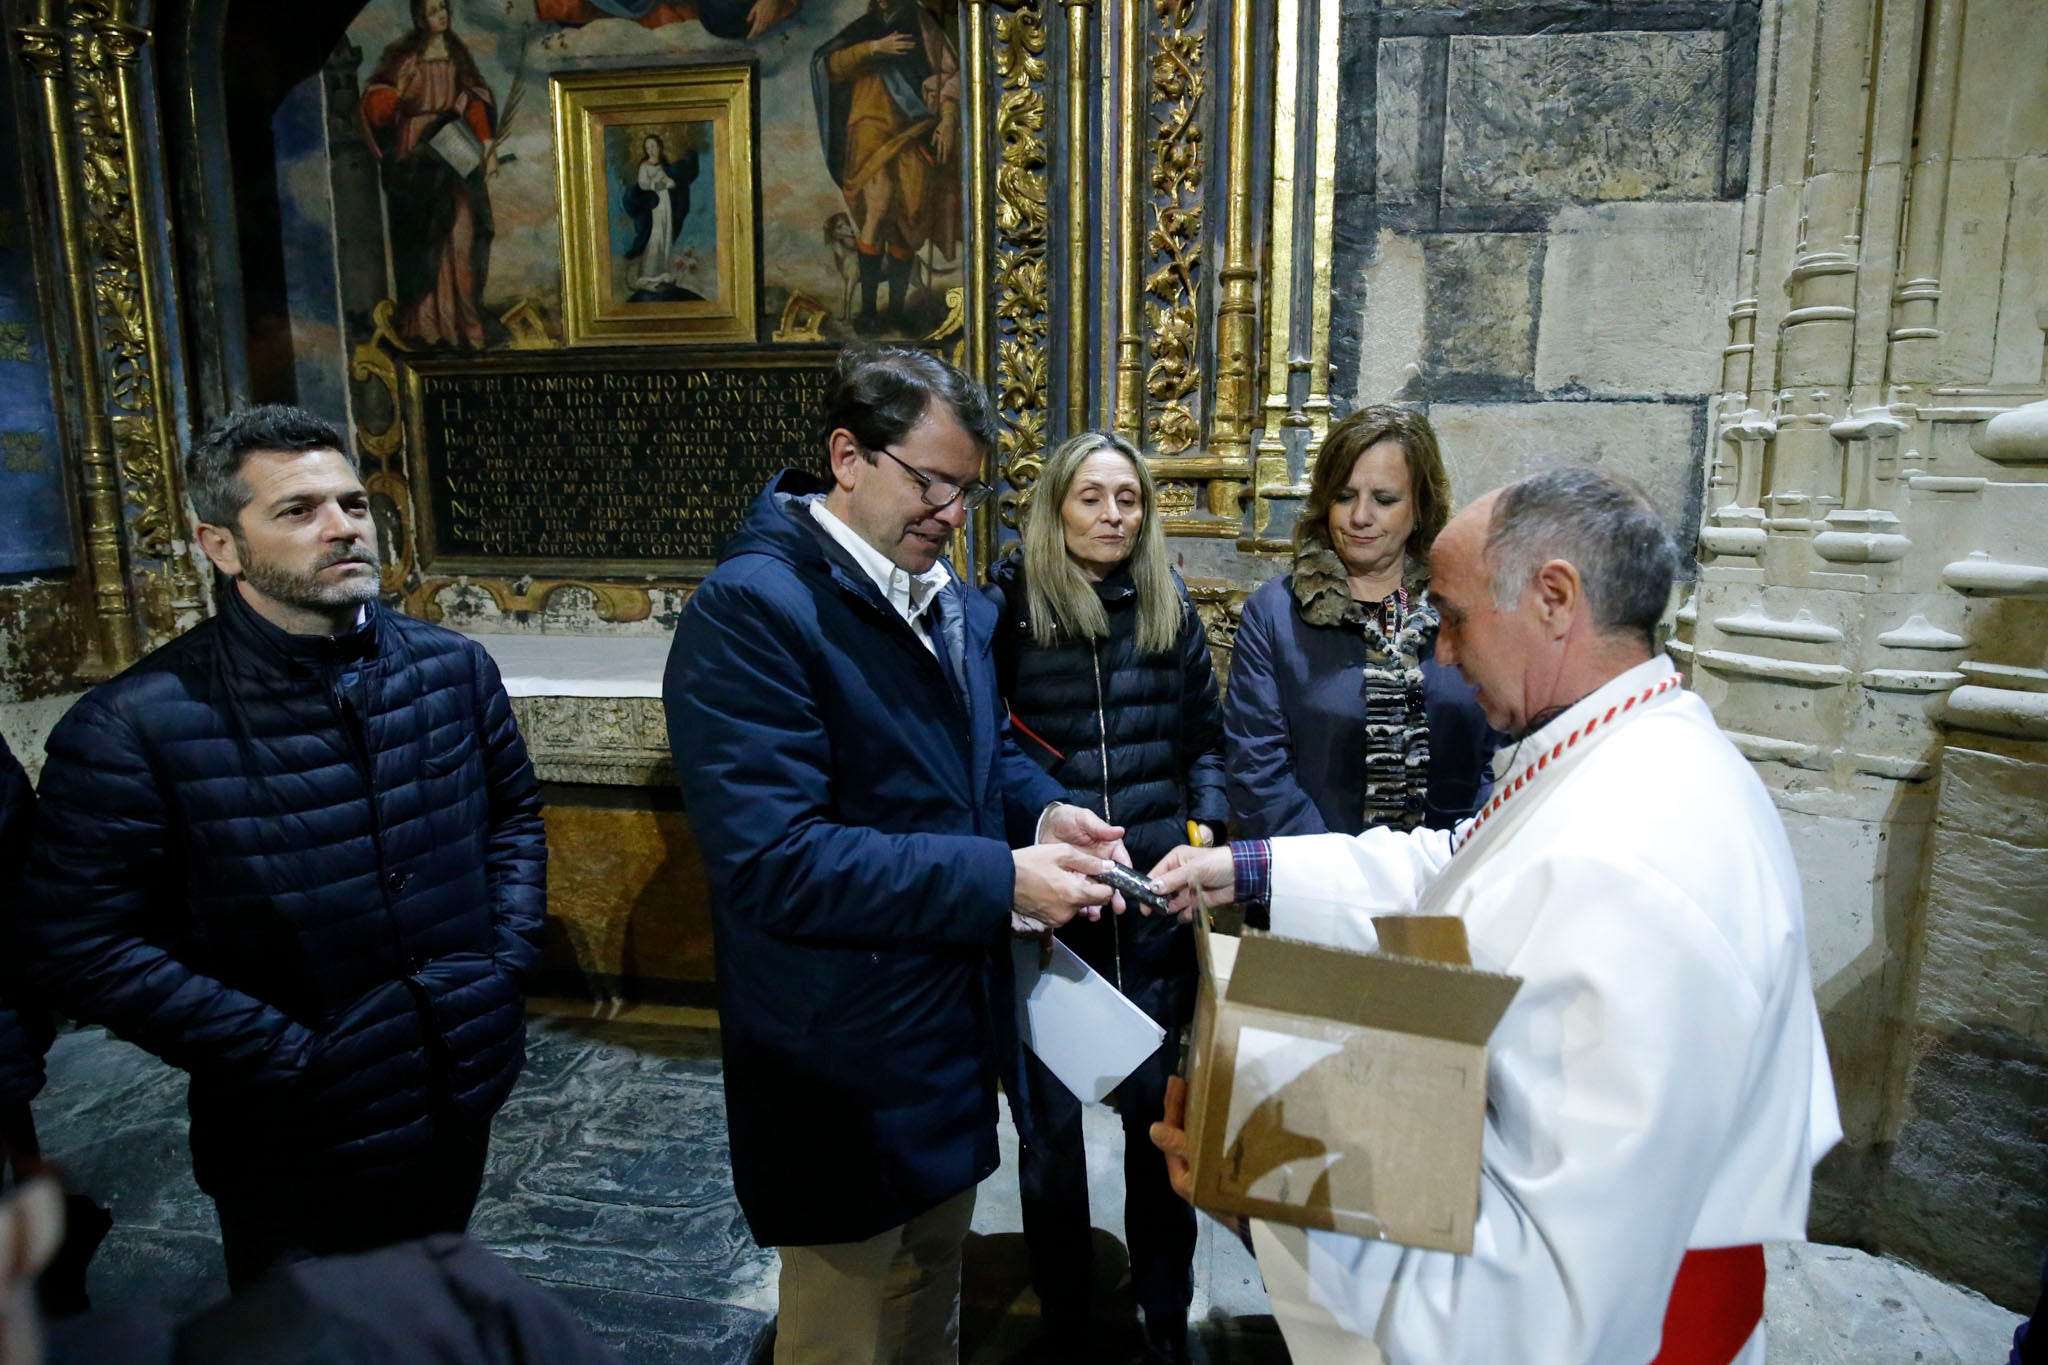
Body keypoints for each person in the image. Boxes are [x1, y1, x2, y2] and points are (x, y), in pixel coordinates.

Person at [1150, 467, 1841, 1364]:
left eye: (1455, 616)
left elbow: (1539, 1309)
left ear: (1555, 598)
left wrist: (1265, 1190)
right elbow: (1461, 861)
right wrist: (1247, 866)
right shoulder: (1618, 746)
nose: (1439, 651)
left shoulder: (1635, 858)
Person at [665, 345, 1128, 1365]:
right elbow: (775, 860)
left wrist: (1043, 816)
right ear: (847, 456)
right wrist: (998, 878)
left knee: (930, 1298)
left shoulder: (946, 599)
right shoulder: (752, 611)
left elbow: (977, 756)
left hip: (944, 1031)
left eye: (964, 492)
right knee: (843, 1325)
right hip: (837, 1049)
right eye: (931, 483)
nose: (951, 514)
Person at [18, 405, 547, 1293]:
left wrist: (499, 965)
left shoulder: (451, 669)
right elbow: (81, 941)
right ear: (220, 544)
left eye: (353, 502)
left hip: (458, 1077)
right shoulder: (132, 725)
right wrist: (292, 1057)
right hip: (293, 1120)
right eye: (298, 510)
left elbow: (511, 817)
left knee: (426, 1305)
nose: (342, 526)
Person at [984, 432, 1225, 1363]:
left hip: (1156, 909)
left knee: (1160, 1130)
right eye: (1093, 497)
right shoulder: (1008, 609)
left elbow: (1204, 737)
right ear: (1056, 506)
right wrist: (1046, 812)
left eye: (1128, 499)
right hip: (1057, 915)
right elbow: (986, 744)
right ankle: (1069, 1316)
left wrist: (1199, 835)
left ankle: (1166, 1317)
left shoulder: (1170, 608)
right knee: (1049, 1141)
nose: (1113, 516)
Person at [1225, 405, 1496, 840]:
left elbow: (1501, 754)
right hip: (1317, 885)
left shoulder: (1465, 607)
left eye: (1384, 500)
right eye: (1344, 496)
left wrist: (1459, 857)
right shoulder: (1275, 613)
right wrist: (1341, 876)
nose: (1360, 518)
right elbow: (1258, 771)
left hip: (1449, 881)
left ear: (1421, 507)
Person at [811, 0, 962, 329]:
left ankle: (894, 311)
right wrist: (872, 48)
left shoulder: (922, 24)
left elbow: (951, 74)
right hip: (870, 128)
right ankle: (868, 312)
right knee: (877, 209)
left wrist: (948, 119)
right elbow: (828, 66)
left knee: (909, 216)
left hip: (916, 129)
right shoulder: (864, 29)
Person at [360, 0, 497, 349]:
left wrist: (486, 144)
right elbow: (377, 109)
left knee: (464, 238)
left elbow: (476, 101)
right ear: (421, 18)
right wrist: (400, 92)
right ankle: (427, 327)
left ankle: (466, 325)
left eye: (444, 8)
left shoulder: (458, 55)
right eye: (434, 9)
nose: (443, 15)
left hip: (452, 149)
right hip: (418, 154)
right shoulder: (403, 58)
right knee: (425, 240)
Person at [621, 131, 700, 298]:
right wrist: (656, 185)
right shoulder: (644, 165)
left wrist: (670, 183)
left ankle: (663, 271)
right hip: (653, 204)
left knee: (665, 234)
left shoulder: (664, 165)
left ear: (659, 147)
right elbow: (642, 184)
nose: (650, 149)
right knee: (654, 236)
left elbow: (670, 181)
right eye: (647, 147)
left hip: (665, 203)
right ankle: (648, 274)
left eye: (653, 146)